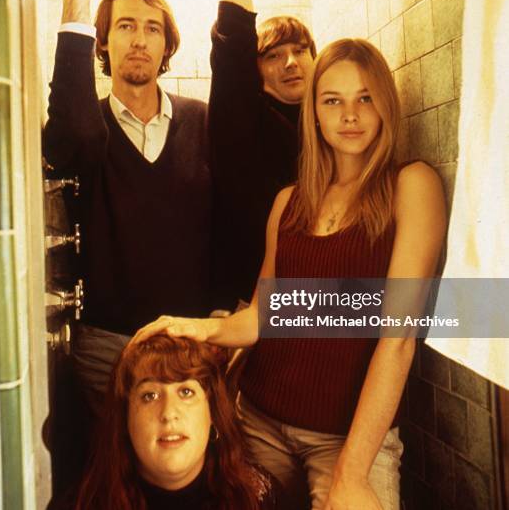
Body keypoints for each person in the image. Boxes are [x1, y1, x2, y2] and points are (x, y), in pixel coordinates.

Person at [133, 39, 447, 510]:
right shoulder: (288, 203)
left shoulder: (410, 186)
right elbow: (264, 317)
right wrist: (195, 327)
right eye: (333, 100)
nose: (350, 115)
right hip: (258, 420)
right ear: (314, 113)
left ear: (386, 103)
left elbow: (397, 339)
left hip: (351, 437)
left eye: (365, 97)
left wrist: (352, 471)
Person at [42, 0, 212, 408]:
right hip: (106, 345)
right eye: (125, 26)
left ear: (166, 47)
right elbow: (66, 138)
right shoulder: (88, 128)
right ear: (102, 43)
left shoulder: (202, 121)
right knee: (115, 477)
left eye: (152, 28)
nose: (139, 39)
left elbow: (229, 221)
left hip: (190, 340)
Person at [209, 0, 317, 309]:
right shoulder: (245, 121)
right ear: (253, 71)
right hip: (252, 307)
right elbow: (233, 31)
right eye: (273, 55)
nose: (290, 62)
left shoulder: (332, 125)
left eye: (300, 50)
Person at [75, 334, 277, 509]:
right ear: (125, 420)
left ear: (213, 414)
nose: (169, 412)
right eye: (149, 396)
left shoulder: (258, 497)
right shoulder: (86, 502)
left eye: (186, 392)